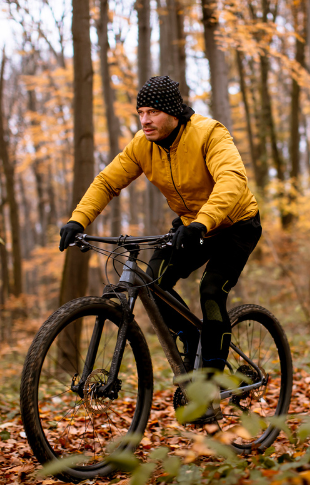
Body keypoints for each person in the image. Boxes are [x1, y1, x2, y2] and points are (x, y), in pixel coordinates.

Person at [59, 75, 262, 407]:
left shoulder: (209, 134)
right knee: (152, 282)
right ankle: (191, 336)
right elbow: (108, 181)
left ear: (173, 112)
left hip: (235, 224)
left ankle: (211, 381)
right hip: (190, 226)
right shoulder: (143, 144)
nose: (145, 120)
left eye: (152, 112)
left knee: (211, 291)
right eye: (140, 112)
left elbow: (232, 182)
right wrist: (78, 219)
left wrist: (201, 223)